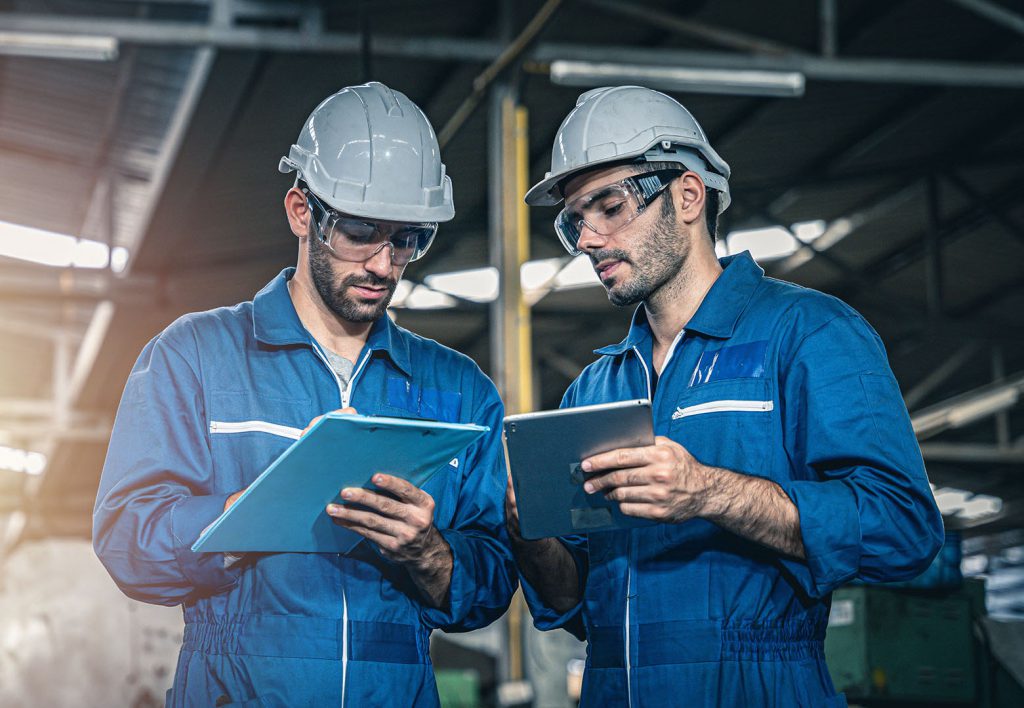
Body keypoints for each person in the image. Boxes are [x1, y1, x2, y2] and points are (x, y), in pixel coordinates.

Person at [506, 85, 944, 707]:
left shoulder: (810, 333)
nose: (588, 240)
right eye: (575, 219)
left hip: (761, 687)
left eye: (609, 207)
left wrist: (709, 491)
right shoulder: (596, 387)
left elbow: (903, 530)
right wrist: (530, 534)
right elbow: (574, 603)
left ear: (687, 195)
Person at [93, 82, 517, 707]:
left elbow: (490, 583)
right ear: (301, 212)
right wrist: (245, 515)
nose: (383, 263)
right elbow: (128, 542)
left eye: (406, 239)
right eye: (361, 231)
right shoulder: (195, 358)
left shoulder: (460, 390)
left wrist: (429, 552)